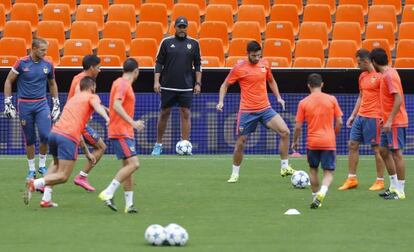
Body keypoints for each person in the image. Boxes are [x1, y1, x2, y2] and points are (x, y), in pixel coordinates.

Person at [23, 76, 109, 207]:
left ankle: (46, 199)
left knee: (56, 164)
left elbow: (94, 108)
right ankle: (34, 184)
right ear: (92, 87)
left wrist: (86, 152)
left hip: (54, 134)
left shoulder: (74, 99)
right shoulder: (93, 96)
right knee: (63, 176)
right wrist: (107, 118)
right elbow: (97, 106)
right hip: (67, 137)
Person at [216, 40, 294, 183]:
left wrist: (278, 97)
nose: (257, 58)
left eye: (259, 55)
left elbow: (271, 80)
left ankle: (284, 167)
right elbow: (225, 85)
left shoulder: (265, 64)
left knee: (285, 132)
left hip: (265, 109)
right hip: (247, 112)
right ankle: (235, 173)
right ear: (248, 54)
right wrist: (221, 101)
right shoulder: (239, 68)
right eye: (254, 56)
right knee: (241, 142)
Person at [3, 38, 61, 179]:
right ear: (33, 49)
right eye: (42, 50)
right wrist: (8, 102)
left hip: (42, 104)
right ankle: (31, 170)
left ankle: (42, 165)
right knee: (29, 139)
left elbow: (52, 84)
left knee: (46, 136)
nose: (45, 52)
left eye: (46, 50)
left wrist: (56, 102)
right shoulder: (21, 63)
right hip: (24, 105)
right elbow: (8, 81)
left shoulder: (48, 64)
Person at [98, 58, 145, 213]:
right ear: (136, 71)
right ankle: (108, 192)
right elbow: (117, 105)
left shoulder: (119, 82)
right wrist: (132, 123)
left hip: (124, 130)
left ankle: (129, 204)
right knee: (134, 164)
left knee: (128, 168)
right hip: (121, 131)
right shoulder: (124, 84)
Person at [151, 16, 202, 155]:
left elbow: (198, 65)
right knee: (164, 114)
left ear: (187, 28)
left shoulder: (194, 43)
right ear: (175, 27)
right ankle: (158, 145)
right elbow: (158, 63)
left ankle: (185, 144)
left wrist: (198, 83)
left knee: (185, 113)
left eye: (184, 26)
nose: (182, 29)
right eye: (179, 26)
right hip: (167, 86)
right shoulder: (166, 42)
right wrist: (156, 81)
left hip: (186, 86)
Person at [292, 74, 343, 209]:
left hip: (312, 142)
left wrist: (295, 141)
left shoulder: (303, 102)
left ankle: (315, 197)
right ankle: (323, 192)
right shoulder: (331, 99)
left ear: (308, 85)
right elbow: (340, 122)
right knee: (328, 173)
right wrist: (333, 134)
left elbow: (297, 127)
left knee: (313, 170)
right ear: (322, 85)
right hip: (328, 141)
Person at [338, 49, 386, 191]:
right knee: (352, 144)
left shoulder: (381, 77)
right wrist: (353, 115)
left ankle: (380, 181)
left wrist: (384, 116)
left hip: (374, 117)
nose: (357, 65)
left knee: (376, 148)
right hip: (361, 116)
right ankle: (352, 179)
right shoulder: (362, 76)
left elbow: (386, 98)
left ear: (366, 61)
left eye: (359, 62)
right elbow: (361, 96)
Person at [370, 48, 408, 200]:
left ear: (373, 62)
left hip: (395, 122)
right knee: (384, 151)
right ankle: (393, 186)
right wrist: (384, 118)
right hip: (387, 121)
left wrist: (390, 119)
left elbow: (398, 99)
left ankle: (401, 190)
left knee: (397, 154)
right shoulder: (387, 74)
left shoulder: (389, 76)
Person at [67, 55, 107, 192]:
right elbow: (82, 100)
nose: (100, 70)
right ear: (91, 67)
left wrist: (106, 110)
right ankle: (81, 177)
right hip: (76, 122)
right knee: (101, 147)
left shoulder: (80, 79)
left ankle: (43, 184)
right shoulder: (81, 81)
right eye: (98, 67)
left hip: (72, 121)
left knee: (63, 157)